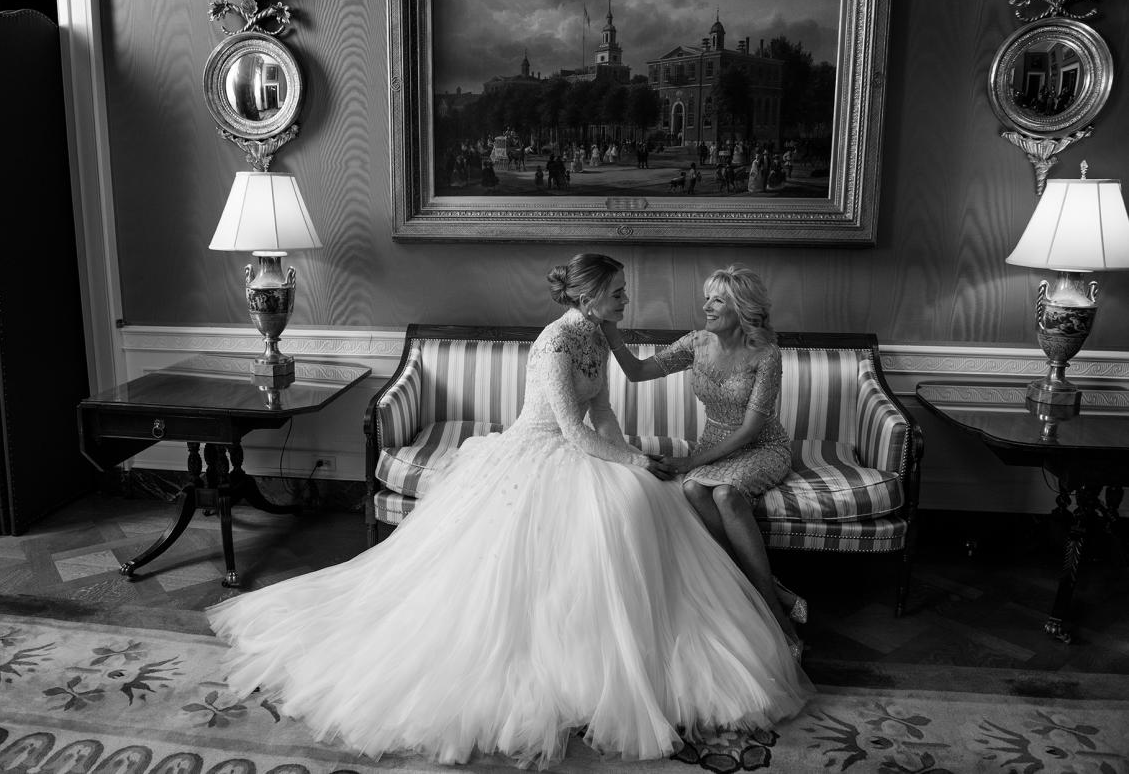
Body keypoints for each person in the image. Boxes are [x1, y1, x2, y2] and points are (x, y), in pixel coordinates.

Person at [207, 254, 812, 768]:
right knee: (621, 501)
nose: (628, 300)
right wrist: (631, 463)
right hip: (539, 450)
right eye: (619, 293)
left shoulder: (601, 333)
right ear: (592, 295)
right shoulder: (555, 340)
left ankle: (683, 628)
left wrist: (629, 454)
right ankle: (572, 657)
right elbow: (572, 429)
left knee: (638, 503)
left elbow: (602, 413)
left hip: (601, 446)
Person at [601, 264, 807, 649]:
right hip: (713, 442)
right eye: (706, 298)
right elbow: (638, 372)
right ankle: (769, 592)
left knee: (726, 494)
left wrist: (688, 462)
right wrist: (611, 332)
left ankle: (779, 621)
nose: (707, 306)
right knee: (694, 491)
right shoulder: (696, 343)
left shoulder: (766, 355)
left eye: (718, 299)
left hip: (763, 446)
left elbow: (749, 430)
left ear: (743, 309)